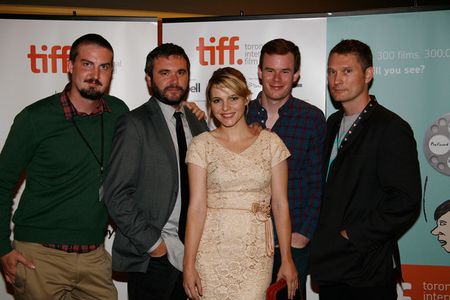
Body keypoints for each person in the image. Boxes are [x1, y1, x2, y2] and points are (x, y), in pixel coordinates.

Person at [0, 33, 128, 299]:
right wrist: (2, 247)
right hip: (40, 257)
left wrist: (182, 111)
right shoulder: (35, 118)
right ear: (69, 66)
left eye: (104, 66)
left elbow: (149, 131)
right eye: (87, 64)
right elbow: (2, 184)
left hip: (94, 255)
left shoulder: (119, 113)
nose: (96, 73)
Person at [310, 39, 421, 300]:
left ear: (368, 74)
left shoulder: (390, 127)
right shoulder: (333, 122)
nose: (337, 79)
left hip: (367, 269)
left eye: (347, 71)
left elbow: (406, 201)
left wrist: (352, 235)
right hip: (333, 264)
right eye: (331, 71)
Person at [102, 43, 208, 300]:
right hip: (155, 258)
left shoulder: (197, 120)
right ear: (149, 79)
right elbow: (115, 195)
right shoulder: (134, 123)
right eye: (165, 73)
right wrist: (155, 246)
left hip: (197, 252)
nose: (174, 80)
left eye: (181, 73)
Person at [183, 67, 298, 300]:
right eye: (217, 100)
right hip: (209, 253)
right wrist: (188, 263)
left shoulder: (271, 143)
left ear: (246, 98)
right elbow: (196, 208)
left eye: (233, 98)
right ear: (210, 104)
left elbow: (280, 205)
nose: (225, 108)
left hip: (255, 253)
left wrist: (286, 258)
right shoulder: (201, 145)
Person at [246, 38, 326, 299]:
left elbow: (318, 182)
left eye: (285, 71)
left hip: (292, 243)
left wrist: (303, 234)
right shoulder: (239, 114)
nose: (277, 78)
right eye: (270, 70)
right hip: (248, 242)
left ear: (297, 75)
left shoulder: (311, 118)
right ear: (259, 72)